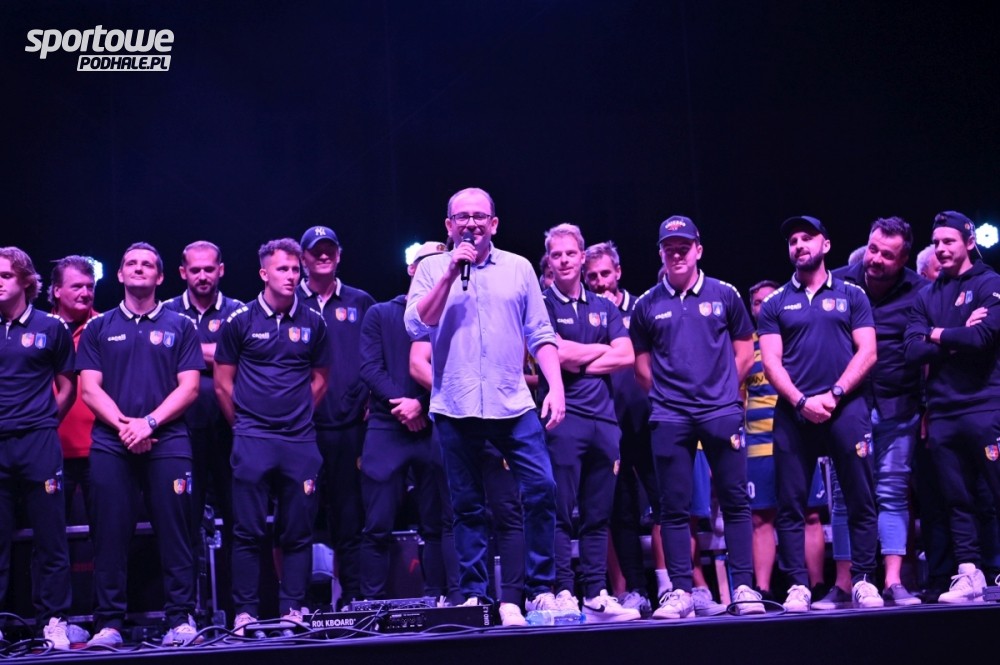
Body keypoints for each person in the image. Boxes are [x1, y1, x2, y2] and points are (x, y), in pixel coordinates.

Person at [404, 187, 565, 618]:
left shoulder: (519, 267)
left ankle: (540, 588)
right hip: (455, 405)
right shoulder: (432, 268)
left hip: (512, 402)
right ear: (449, 225)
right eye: (462, 217)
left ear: (494, 223)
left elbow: (540, 332)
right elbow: (417, 325)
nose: (471, 223)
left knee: (542, 489)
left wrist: (555, 386)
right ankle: (475, 593)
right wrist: (448, 273)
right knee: (467, 504)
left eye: (479, 216)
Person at [629, 216, 763, 619]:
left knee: (735, 501)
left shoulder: (725, 294)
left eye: (684, 247)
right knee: (672, 507)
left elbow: (745, 352)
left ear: (698, 250)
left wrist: (721, 392)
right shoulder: (646, 303)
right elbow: (641, 367)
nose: (677, 254)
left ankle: (744, 588)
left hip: (720, 411)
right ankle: (681, 591)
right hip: (670, 416)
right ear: (660, 253)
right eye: (669, 248)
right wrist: (668, 398)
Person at [76, 242, 203, 646]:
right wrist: (126, 428)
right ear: (119, 274)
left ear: (160, 276)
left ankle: (180, 620)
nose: (138, 268)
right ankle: (109, 624)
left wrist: (148, 424)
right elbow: (89, 389)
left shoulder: (181, 325)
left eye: (147, 264)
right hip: (112, 444)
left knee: (177, 534)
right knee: (109, 536)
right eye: (131, 263)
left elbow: (190, 387)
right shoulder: (99, 327)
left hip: (169, 441)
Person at [757, 216, 881, 612]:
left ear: (825, 245)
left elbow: (868, 352)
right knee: (791, 503)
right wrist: (801, 401)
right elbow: (771, 363)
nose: (799, 245)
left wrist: (835, 393)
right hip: (795, 412)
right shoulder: (775, 302)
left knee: (861, 497)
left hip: (847, 408)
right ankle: (797, 584)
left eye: (807, 238)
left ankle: (864, 579)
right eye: (793, 240)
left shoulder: (852, 294)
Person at [214, 238, 330, 631]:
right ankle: (245, 612)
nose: (292, 276)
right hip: (252, 440)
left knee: (298, 531)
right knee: (247, 531)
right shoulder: (240, 321)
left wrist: (297, 418)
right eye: (283, 269)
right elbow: (222, 384)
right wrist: (245, 426)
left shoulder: (314, 322)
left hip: (300, 442)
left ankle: (293, 609)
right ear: (264, 273)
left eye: (296, 269)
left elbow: (321, 379)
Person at [816, 217, 925, 607]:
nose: (875, 259)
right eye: (873, 248)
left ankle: (893, 581)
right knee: (844, 496)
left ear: (904, 259)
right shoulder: (837, 283)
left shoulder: (920, 291)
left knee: (892, 493)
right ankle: (844, 584)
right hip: (847, 408)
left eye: (887, 255)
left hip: (900, 406)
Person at [541, 224, 639, 622]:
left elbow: (627, 355)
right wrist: (600, 349)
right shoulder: (542, 304)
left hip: (605, 420)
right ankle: (564, 590)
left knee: (599, 514)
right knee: (562, 512)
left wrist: (579, 359)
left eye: (571, 253)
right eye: (557, 254)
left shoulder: (604, 305)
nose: (564, 260)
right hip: (564, 418)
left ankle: (596, 593)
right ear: (549, 261)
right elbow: (555, 353)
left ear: (582, 257)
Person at [903, 211, 1000, 603]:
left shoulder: (989, 282)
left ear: (969, 242)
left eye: (949, 241)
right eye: (936, 242)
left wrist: (935, 334)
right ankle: (969, 572)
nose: (941, 249)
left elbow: (982, 339)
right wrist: (953, 335)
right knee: (956, 499)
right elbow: (911, 351)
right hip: (943, 412)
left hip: (985, 406)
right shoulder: (926, 295)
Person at [358, 242, 450, 602]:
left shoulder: (451, 314)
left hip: (432, 425)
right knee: (377, 524)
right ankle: (372, 603)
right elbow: (369, 368)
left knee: (437, 522)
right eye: (426, 263)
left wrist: (421, 405)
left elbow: (456, 370)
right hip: (387, 426)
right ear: (412, 269)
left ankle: (441, 598)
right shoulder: (380, 313)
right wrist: (404, 404)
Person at [584, 241, 667, 614]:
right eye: (592, 277)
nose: (600, 282)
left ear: (618, 272)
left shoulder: (643, 307)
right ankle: (635, 589)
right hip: (608, 425)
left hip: (650, 420)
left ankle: (669, 586)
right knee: (620, 513)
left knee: (665, 504)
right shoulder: (586, 313)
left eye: (605, 273)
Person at [0, 247, 77, 649]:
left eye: (5, 276)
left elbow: (68, 386)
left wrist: (45, 421)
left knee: (51, 538)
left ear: (26, 281)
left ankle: (54, 620)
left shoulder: (51, 327)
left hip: (39, 443)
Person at [163, 241, 243, 616]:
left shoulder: (239, 311)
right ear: (183, 273)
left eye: (209, 269)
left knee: (240, 523)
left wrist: (187, 349)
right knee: (184, 525)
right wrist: (216, 351)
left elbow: (241, 357)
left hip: (231, 432)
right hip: (179, 435)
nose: (202, 276)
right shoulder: (165, 312)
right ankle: (186, 615)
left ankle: (240, 611)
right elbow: (162, 360)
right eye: (195, 270)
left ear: (220, 270)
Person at [296, 226, 375, 607]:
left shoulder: (361, 301)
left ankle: (353, 598)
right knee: (301, 516)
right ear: (303, 258)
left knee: (349, 514)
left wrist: (372, 397)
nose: (323, 256)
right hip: (301, 429)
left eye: (329, 250)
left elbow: (376, 356)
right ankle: (302, 603)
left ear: (339, 255)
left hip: (350, 427)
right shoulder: (288, 300)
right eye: (316, 251)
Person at [743, 279, 829, 601]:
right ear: (752, 309)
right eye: (757, 302)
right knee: (761, 517)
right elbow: (738, 397)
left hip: (799, 440)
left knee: (811, 513)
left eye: (770, 300)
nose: (764, 306)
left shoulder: (798, 339)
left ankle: (817, 585)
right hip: (759, 445)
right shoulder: (744, 347)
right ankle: (763, 590)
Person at [48, 256, 99, 524]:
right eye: (77, 286)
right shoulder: (38, 329)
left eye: (90, 286)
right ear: (57, 290)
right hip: (49, 449)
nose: (85, 293)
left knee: (107, 533)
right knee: (49, 534)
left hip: (100, 450)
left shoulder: (106, 327)